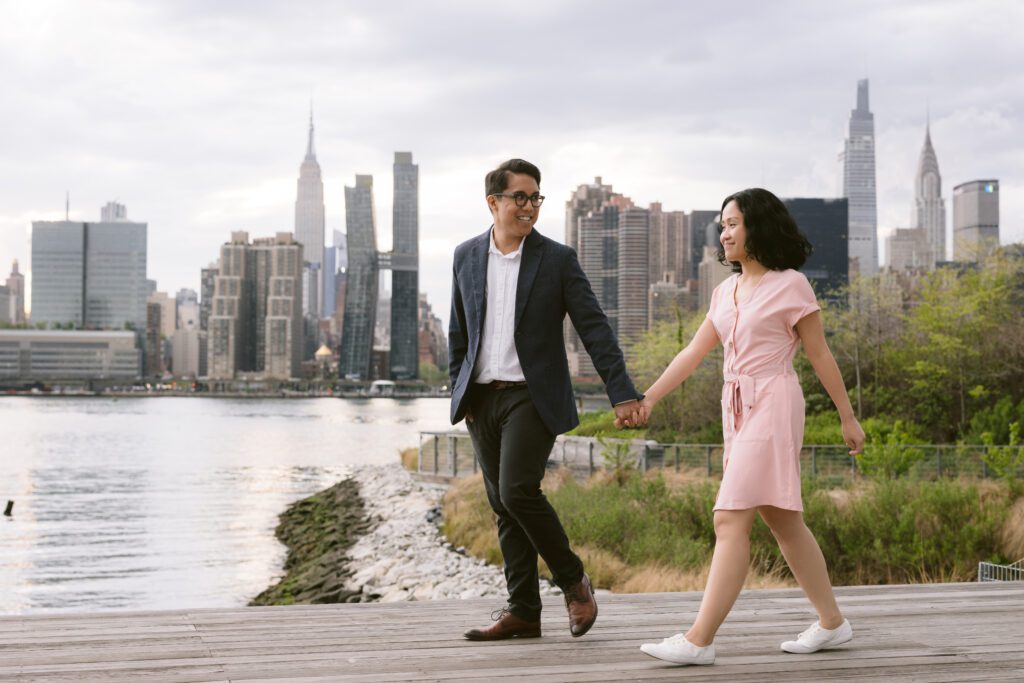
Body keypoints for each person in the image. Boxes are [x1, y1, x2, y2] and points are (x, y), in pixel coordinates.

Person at [626, 188, 866, 666]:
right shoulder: (724, 290)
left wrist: (847, 415)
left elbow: (819, 354)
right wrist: (648, 397)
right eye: (722, 225)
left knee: (729, 516)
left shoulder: (792, 284)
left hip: (774, 401)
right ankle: (833, 624)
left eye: (733, 223)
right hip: (734, 408)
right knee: (783, 520)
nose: (725, 232)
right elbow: (692, 353)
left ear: (758, 226)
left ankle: (699, 639)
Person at [449, 158, 643, 641]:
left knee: (517, 491)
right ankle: (523, 611)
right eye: (520, 197)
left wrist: (621, 393)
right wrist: (460, 391)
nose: (530, 206)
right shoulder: (465, 256)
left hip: (531, 398)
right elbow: (458, 331)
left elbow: (593, 328)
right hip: (481, 400)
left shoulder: (556, 259)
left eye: (536, 197)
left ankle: (574, 582)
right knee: (500, 504)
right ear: (493, 202)